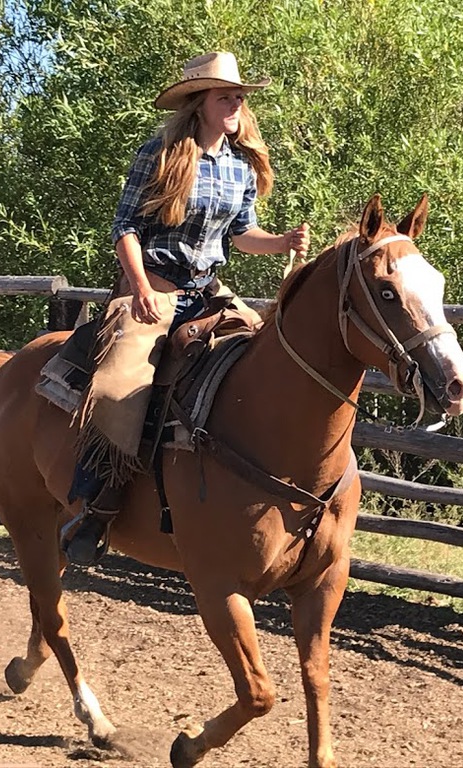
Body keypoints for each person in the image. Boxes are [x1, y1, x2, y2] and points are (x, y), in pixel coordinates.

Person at [64, 50, 311, 564]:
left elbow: (242, 234)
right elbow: (125, 229)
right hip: (151, 289)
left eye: (240, 96)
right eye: (226, 96)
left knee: (262, 350)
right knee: (116, 387)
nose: (237, 104)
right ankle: (93, 506)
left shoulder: (239, 168)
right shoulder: (160, 154)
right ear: (199, 104)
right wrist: (140, 289)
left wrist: (282, 240)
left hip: (207, 292)